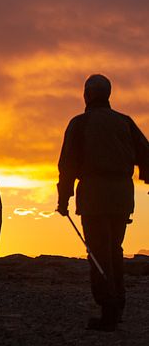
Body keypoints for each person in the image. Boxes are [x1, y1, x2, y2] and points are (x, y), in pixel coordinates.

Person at [57, 74, 149, 331]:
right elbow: (146, 155)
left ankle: (108, 310)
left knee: (98, 253)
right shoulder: (125, 122)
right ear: (108, 95)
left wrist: (63, 198)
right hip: (121, 197)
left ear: (86, 95)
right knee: (114, 249)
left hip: (95, 197)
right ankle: (117, 305)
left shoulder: (80, 123)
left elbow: (67, 166)